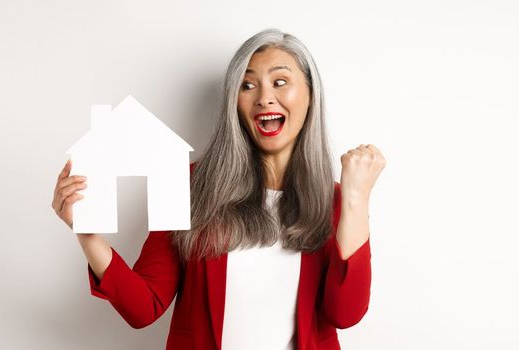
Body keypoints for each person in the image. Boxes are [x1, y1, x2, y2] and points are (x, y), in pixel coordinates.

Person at [51, 28, 385, 350]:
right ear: (234, 102)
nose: (264, 97)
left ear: (311, 95)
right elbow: (144, 307)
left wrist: (356, 199)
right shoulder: (189, 185)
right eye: (247, 85)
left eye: (280, 82)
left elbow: (345, 313)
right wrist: (87, 233)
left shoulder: (337, 202)